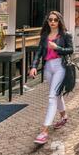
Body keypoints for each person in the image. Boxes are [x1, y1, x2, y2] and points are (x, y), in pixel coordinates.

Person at [30, 11, 74, 145]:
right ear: (47, 21)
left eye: (55, 20)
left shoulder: (65, 35)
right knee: (57, 95)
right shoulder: (44, 36)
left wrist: (58, 47)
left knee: (52, 97)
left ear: (59, 21)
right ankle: (64, 116)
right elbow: (38, 52)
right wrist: (33, 66)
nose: (53, 22)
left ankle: (44, 131)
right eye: (50, 20)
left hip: (60, 66)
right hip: (48, 67)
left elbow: (71, 50)